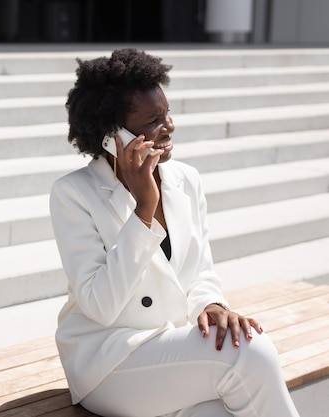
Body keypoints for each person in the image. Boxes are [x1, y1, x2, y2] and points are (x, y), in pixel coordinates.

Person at [49, 48, 300, 417]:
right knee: (250, 350)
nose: (168, 126)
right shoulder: (74, 194)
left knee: (216, 411)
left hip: (171, 346)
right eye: (153, 120)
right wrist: (143, 211)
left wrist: (212, 306)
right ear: (111, 135)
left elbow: (199, 271)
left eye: (166, 113)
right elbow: (100, 306)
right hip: (110, 361)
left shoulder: (185, 179)